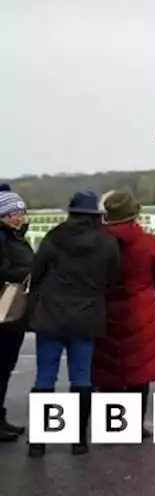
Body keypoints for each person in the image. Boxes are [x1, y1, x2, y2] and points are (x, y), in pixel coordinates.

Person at [26, 191, 120, 457]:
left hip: (51, 315)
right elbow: (113, 279)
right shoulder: (106, 242)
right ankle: (78, 440)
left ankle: (39, 443)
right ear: (95, 216)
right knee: (81, 377)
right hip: (87, 316)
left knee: (45, 376)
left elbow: (37, 273)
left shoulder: (54, 237)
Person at [93, 190, 155, 440]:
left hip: (104, 309)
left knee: (107, 369)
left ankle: (110, 423)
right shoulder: (147, 241)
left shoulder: (97, 241)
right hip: (140, 311)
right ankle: (134, 425)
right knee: (139, 371)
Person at [0, 190, 33, 442]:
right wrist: (29, 272)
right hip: (4, 309)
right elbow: (5, 269)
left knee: (6, 367)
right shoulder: (4, 238)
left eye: (20, 213)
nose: (18, 218)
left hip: (13, 311)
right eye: (12, 214)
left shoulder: (15, 237)